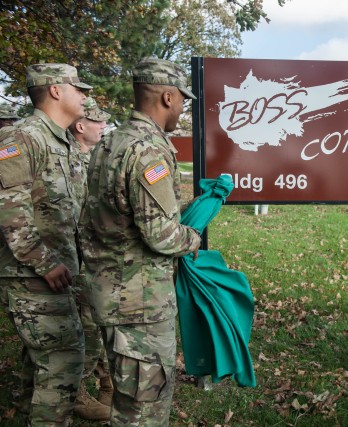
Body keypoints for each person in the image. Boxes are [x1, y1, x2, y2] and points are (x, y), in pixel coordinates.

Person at [80, 57, 201, 426]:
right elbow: (161, 235)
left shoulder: (110, 142)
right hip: (139, 305)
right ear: (167, 97)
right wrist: (194, 237)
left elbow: (118, 214)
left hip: (111, 294)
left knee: (128, 399)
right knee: (143, 411)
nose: (182, 108)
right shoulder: (148, 149)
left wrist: (184, 207)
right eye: (182, 99)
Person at [0, 63, 91, 425]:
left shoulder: (62, 139)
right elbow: (9, 209)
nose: (84, 95)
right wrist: (43, 262)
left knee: (40, 367)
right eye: (78, 88)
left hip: (55, 275)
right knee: (63, 364)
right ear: (56, 90)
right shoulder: (22, 137)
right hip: (32, 276)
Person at [68, 96, 112, 420]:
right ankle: (78, 394)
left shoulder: (95, 159)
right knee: (85, 327)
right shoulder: (67, 160)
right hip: (72, 260)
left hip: (93, 257)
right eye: (99, 121)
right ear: (81, 126)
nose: (104, 126)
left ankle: (106, 381)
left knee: (98, 322)